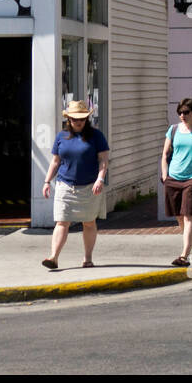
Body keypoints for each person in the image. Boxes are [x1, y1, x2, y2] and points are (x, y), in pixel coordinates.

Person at [41, 101, 110, 269]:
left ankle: (87, 258)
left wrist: (100, 179)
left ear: (87, 119)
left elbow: (103, 160)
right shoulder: (61, 137)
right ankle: (53, 257)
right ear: (68, 119)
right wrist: (47, 181)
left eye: (82, 119)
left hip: (89, 187)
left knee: (89, 223)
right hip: (65, 185)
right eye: (74, 119)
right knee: (62, 222)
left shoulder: (96, 136)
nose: (78, 122)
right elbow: (55, 161)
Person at [161, 98, 192, 267]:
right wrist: (164, 175)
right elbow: (165, 154)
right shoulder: (173, 130)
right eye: (180, 112)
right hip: (173, 178)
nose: (182, 115)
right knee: (179, 217)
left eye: (186, 112)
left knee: (189, 215)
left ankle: (184, 255)